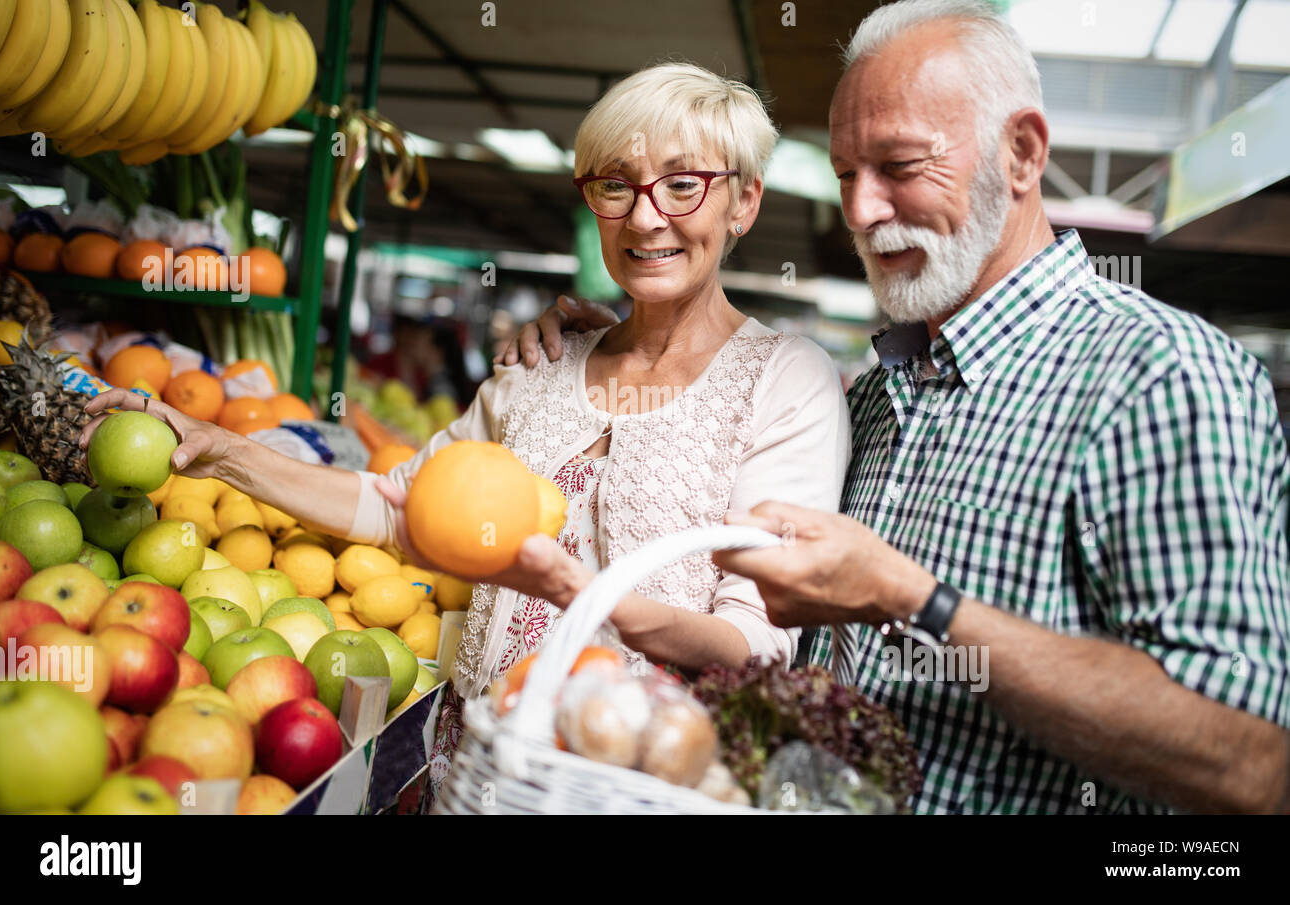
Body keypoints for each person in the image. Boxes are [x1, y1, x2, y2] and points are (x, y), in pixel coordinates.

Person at [500, 0, 1290, 814]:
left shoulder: (1161, 376)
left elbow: (1250, 761)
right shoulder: (884, 392)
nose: (864, 211)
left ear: (1021, 153)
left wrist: (914, 602)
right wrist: (616, 343)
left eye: (902, 167)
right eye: (847, 174)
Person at [81, 62, 849, 800]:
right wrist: (221, 451)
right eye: (616, 185)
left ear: (743, 202)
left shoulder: (785, 381)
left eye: (683, 186)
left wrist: (585, 596)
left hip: (634, 790)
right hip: (473, 778)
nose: (646, 217)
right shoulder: (541, 368)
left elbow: (755, 643)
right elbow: (396, 505)